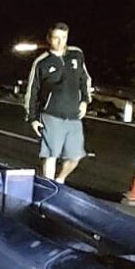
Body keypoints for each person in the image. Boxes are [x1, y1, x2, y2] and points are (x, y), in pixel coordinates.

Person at [24, 22, 91, 184]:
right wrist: (32, 117)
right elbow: (32, 90)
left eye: (64, 38)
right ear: (49, 38)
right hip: (51, 114)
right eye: (56, 38)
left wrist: (85, 101)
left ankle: (59, 180)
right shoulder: (42, 62)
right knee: (51, 154)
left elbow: (85, 79)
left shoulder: (76, 54)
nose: (60, 42)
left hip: (73, 114)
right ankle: (49, 186)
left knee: (75, 156)